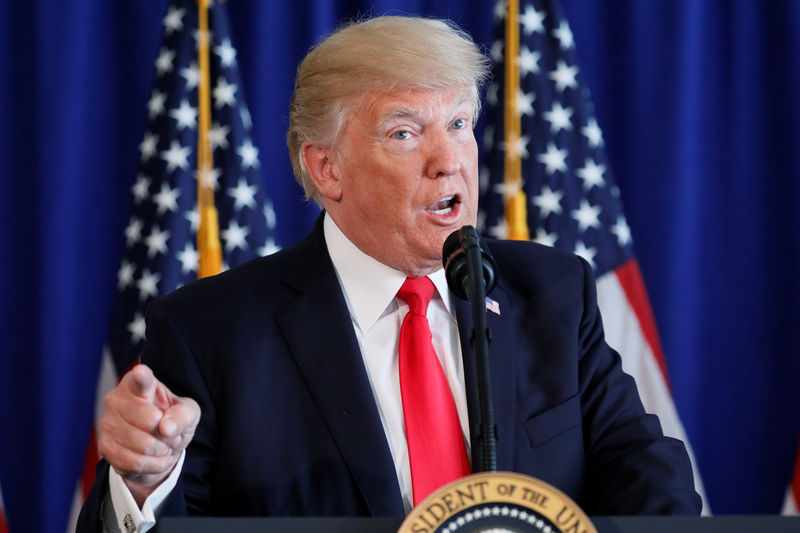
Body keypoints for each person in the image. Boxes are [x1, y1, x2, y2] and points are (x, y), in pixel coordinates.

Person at [78, 15, 701, 533]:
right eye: (405, 133)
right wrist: (144, 480)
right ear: (327, 170)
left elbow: (652, 481)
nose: (448, 161)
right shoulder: (210, 331)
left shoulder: (552, 294)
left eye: (459, 125)